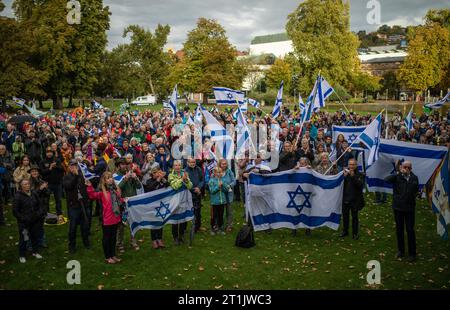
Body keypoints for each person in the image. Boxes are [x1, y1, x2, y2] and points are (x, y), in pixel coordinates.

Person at [384, 160, 419, 262]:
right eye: (405, 167)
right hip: (398, 208)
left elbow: (415, 190)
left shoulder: (414, 178)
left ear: (411, 169)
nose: (407, 169)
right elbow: (386, 179)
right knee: (399, 230)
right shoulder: (397, 177)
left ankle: (412, 253)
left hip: (409, 208)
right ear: (401, 167)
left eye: (409, 167)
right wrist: (398, 173)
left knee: (410, 230)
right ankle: (401, 250)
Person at [86, 172, 123, 264]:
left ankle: (113, 255)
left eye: (111, 177)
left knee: (113, 237)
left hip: (115, 217)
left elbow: (119, 200)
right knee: (107, 237)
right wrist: (90, 187)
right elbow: (92, 195)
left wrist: (125, 200)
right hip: (106, 219)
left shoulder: (115, 190)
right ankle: (107, 256)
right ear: (104, 181)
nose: (110, 179)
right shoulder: (102, 192)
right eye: (108, 178)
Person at [13, 179, 46, 263]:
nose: (27, 185)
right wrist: (24, 219)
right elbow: (15, 211)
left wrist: (38, 214)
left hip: (35, 221)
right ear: (21, 186)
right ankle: (22, 255)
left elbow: (39, 205)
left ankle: (35, 252)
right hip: (24, 223)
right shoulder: (18, 196)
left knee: (35, 237)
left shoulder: (34, 193)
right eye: (24, 184)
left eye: (28, 184)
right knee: (24, 239)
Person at [63, 159, 91, 254]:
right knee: (73, 227)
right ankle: (72, 245)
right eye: (72, 166)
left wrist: (88, 185)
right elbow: (69, 186)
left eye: (75, 166)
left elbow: (86, 187)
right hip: (73, 205)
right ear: (69, 167)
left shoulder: (82, 176)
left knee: (85, 225)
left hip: (83, 204)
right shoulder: (67, 177)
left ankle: (86, 242)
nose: (74, 167)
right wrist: (75, 176)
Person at [115, 158, 141, 252]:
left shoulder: (130, 173)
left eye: (125, 164)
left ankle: (133, 241)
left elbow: (139, 186)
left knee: (133, 223)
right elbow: (117, 188)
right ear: (118, 166)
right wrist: (125, 179)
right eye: (122, 164)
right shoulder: (116, 176)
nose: (125, 166)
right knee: (121, 225)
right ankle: (120, 243)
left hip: (132, 203)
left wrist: (135, 178)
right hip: (121, 204)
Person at [143, 166, 169, 249]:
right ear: (153, 173)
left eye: (160, 172)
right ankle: (154, 240)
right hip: (152, 205)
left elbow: (168, 185)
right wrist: (158, 180)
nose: (159, 174)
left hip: (161, 204)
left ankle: (159, 239)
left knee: (160, 221)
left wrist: (164, 179)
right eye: (157, 173)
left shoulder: (162, 180)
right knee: (153, 223)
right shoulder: (149, 181)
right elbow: (150, 188)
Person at [168, 160, 192, 244]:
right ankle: (175, 238)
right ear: (173, 167)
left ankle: (181, 236)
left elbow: (190, 186)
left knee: (182, 219)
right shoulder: (171, 175)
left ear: (181, 166)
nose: (177, 167)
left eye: (179, 165)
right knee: (175, 220)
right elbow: (175, 186)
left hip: (183, 199)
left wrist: (186, 181)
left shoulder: (184, 173)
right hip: (174, 200)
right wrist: (182, 180)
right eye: (176, 165)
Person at [340, 159, 365, 240]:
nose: (351, 166)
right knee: (345, 216)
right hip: (345, 198)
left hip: (355, 199)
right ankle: (345, 231)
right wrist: (343, 177)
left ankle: (355, 233)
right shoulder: (345, 173)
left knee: (354, 217)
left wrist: (353, 176)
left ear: (356, 165)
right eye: (350, 164)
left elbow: (360, 185)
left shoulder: (360, 174)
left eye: (353, 164)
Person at [39, 147, 65, 222]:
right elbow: (42, 172)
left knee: (58, 200)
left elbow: (62, 169)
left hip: (57, 183)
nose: (49, 153)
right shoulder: (42, 162)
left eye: (50, 152)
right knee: (46, 200)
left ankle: (59, 213)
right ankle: (46, 214)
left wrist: (56, 166)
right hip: (48, 184)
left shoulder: (57, 160)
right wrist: (50, 168)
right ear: (45, 153)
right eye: (48, 152)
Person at [29, 165, 50, 248]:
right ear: (30, 173)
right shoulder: (28, 182)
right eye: (32, 171)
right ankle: (30, 244)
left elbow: (48, 193)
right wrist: (40, 189)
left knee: (41, 226)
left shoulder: (42, 181)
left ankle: (41, 242)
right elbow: (31, 195)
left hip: (42, 207)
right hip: (32, 208)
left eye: (36, 171)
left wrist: (46, 188)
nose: (34, 172)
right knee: (32, 227)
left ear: (38, 172)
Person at [208, 167, 232, 236]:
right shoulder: (211, 181)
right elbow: (212, 191)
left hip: (222, 202)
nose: (219, 174)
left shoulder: (223, 180)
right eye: (218, 172)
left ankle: (220, 228)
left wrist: (224, 186)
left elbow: (226, 190)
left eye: (221, 172)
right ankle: (213, 228)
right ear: (214, 173)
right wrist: (218, 186)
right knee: (214, 216)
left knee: (221, 215)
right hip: (214, 202)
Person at [186, 158, 205, 233]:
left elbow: (202, 180)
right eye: (191, 162)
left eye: (194, 162)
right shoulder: (185, 171)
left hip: (198, 192)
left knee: (198, 210)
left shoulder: (198, 169)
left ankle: (198, 226)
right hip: (189, 193)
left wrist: (199, 187)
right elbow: (186, 183)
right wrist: (194, 189)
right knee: (190, 210)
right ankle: (189, 227)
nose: (192, 163)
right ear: (188, 162)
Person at [219, 159, 236, 232]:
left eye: (225, 164)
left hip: (229, 194)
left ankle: (229, 225)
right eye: (222, 164)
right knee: (221, 211)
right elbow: (213, 179)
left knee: (229, 211)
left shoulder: (229, 172)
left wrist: (229, 185)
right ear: (220, 164)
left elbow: (234, 181)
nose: (224, 165)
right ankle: (221, 225)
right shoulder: (217, 171)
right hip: (220, 194)